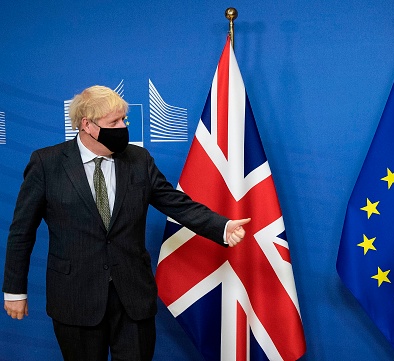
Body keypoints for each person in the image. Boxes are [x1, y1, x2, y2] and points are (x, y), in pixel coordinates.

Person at [2, 85, 251, 361]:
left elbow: (176, 203)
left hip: (132, 297)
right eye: (114, 122)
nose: (122, 127)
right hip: (75, 298)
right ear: (87, 125)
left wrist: (222, 227)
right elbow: (21, 232)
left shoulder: (138, 160)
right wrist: (15, 290)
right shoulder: (46, 163)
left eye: (124, 120)